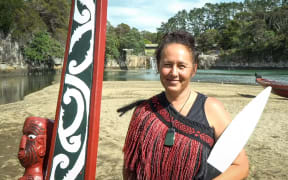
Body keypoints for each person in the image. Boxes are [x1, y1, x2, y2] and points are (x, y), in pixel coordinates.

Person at [121, 31, 249, 179]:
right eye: (168, 65)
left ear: (193, 69)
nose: (174, 72)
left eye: (182, 66)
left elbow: (240, 165)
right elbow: (129, 168)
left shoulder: (212, 109)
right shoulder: (144, 111)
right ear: (158, 66)